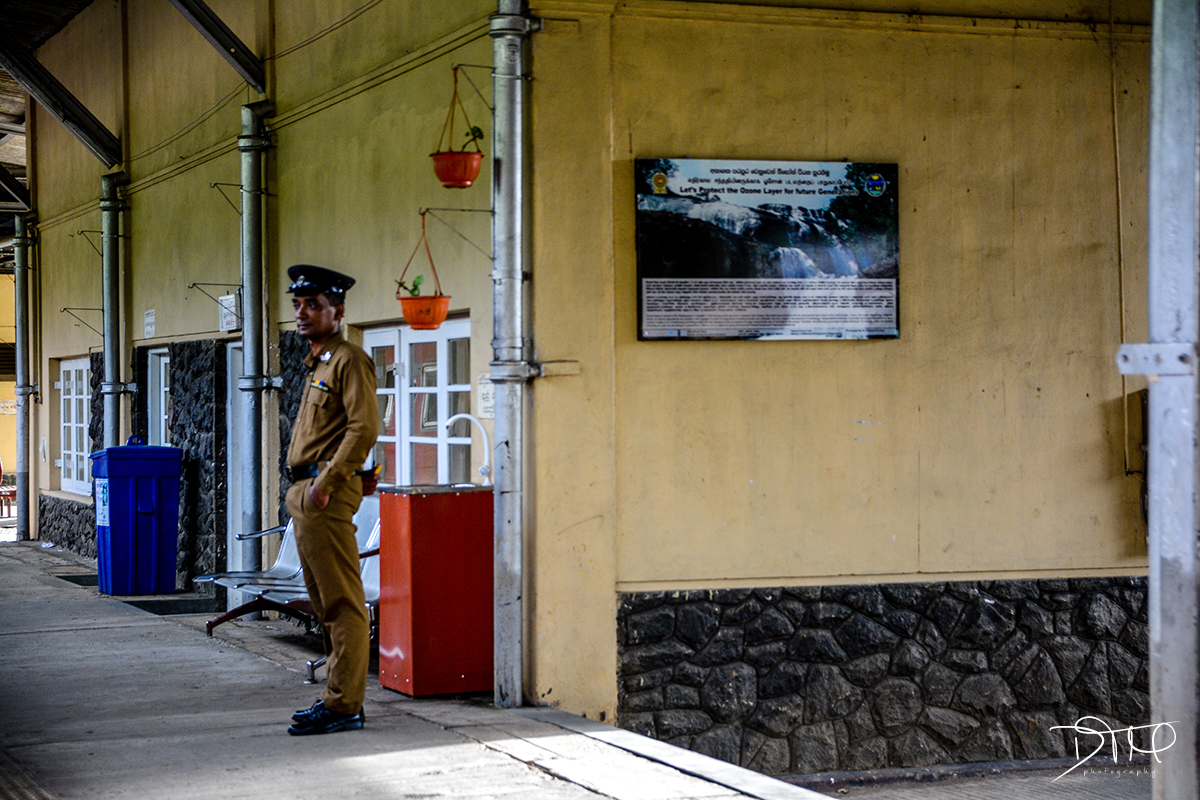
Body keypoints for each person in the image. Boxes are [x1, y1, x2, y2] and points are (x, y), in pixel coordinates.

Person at [282, 264, 380, 736]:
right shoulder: (319, 363)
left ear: (337, 311)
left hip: (325, 495)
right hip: (306, 494)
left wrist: (326, 484)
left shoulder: (348, 360)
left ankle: (344, 706)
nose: (302, 313)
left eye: (313, 305)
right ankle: (336, 697)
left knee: (343, 603)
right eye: (298, 305)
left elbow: (365, 427)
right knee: (325, 603)